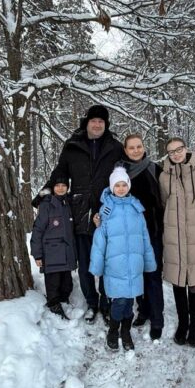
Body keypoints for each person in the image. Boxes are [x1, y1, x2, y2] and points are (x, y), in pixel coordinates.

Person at [34, 105, 124, 323]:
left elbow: (125, 176)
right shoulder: (73, 146)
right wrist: (44, 194)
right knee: (84, 265)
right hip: (80, 212)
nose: (97, 125)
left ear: (106, 125)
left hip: (106, 214)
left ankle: (106, 303)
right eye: (93, 121)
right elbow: (60, 173)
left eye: (101, 122)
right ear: (86, 123)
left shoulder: (115, 147)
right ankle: (92, 304)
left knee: (106, 264)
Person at [159, 138, 195, 347]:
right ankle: (183, 323)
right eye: (171, 152)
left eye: (179, 150)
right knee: (178, 279)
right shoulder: (164, 176)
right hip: (174, 235)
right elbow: (164, 204)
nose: (175, 154)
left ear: (186, 149)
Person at [89, 166, 157, 351]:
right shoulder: (106, 210)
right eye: (117, 185)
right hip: (115, 265)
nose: (120, 188)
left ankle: (125, 331)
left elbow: (144, 236)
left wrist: (149, 261)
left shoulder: (136, 207)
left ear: (128, 185)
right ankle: (113, 330)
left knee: (129, 301)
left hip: (134, 265)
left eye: (123, 184)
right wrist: (97, 266)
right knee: (119, 301)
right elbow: (100, 238)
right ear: (112, 187)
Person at [116, 134, 165, 340]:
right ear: (125, 150)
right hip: (130, 235)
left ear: (144, 147)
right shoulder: (120, 173)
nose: (136, 150)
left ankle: (157, 319)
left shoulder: (154, 169)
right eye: (131, 148)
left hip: (152, 232)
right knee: (136, 275)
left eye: (139, 146)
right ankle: (143, 310)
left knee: (153, 276)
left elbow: (166, 198)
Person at [30, 178, 76, 319]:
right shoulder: (46, 205)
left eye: (64, 185)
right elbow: (37, 230)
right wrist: (37, 255)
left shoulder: (69, 203)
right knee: (53, 282)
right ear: (52, 187)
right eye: (58, 185)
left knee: (67, 283)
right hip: (51, 253)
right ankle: (54, 304)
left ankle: (64, 299)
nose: (61, 188)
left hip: (67, 252)